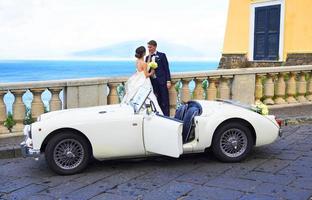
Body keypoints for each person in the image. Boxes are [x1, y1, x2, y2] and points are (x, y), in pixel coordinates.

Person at [122, 46, 163, 115]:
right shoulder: (143, 63)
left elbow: (143, 68)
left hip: (137, 80)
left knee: (137, 95)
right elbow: (146, 75)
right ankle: (150, 112)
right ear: (144, 53)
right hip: (144, 81)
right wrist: (152, 72)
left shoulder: (137, 61)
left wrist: (149, 56)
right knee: (148, 96)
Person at [146, 40, 171, 116]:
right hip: (153, 82)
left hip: (162, 81)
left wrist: (168, 81)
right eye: (148, 47)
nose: (149, 49)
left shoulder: (162, 55)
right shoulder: (147, 57)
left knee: (165, 100)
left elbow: (166, 68)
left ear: (155, 46)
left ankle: (167, 116)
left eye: (150, 47)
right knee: (156, 101)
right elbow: (146, 69)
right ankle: (159, 116)